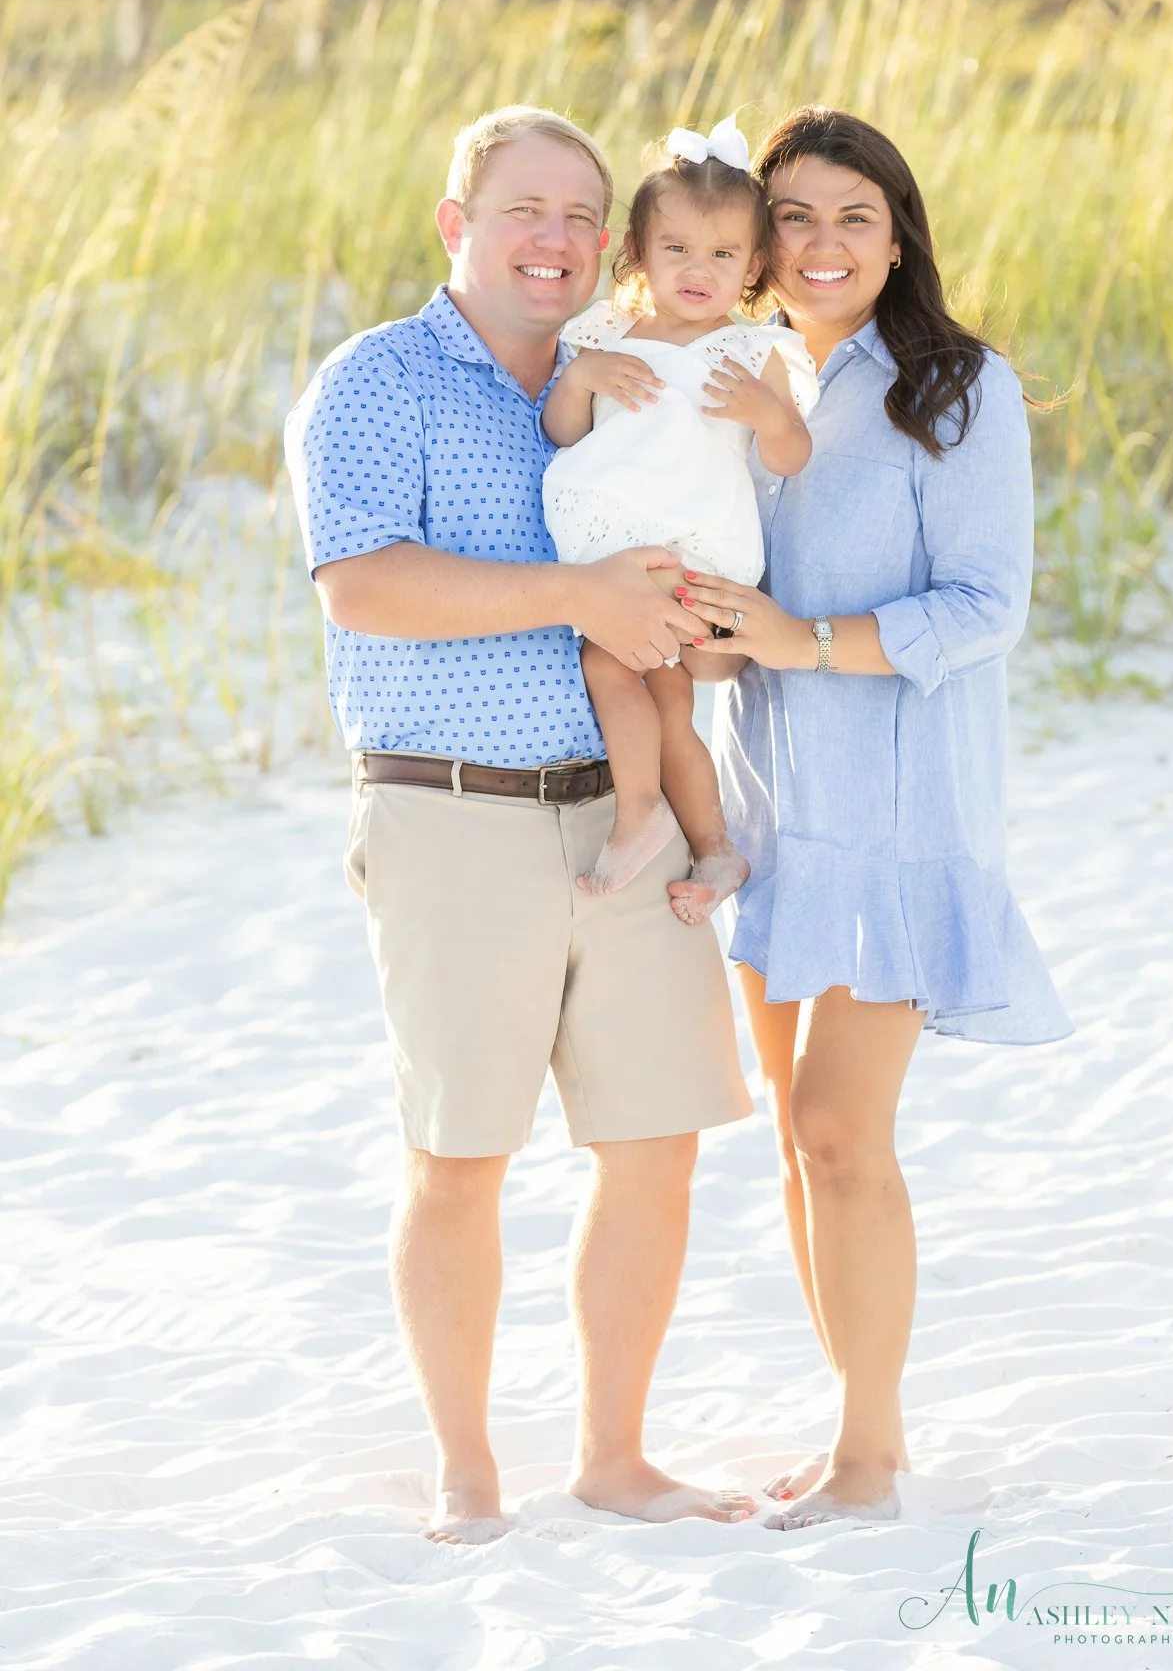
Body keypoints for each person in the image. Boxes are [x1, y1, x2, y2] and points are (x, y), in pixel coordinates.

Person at [284, 105, 756, 1545]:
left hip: (628, 821)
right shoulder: (375, 383)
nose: (552, 242)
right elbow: (361, 586)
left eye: (577, 217)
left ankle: (613, 1456)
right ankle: (466, 1468)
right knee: (460, 1154)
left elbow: (692, 556)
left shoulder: (634, 380)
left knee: (658, 1139)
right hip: (454, 816)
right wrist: (580, 598)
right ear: (457, 226)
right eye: (521, 212)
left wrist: (705, 627)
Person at [683, 105, 1075, 1530]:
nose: (823, 242)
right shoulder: (743, 377)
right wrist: (715, 637)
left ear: (895, 231)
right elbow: (734, 590)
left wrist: (801, 640)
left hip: (902, 820)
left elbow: (985, 609)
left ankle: (867, 1456)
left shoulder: (956, 388)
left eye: (853, 214)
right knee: (796, 1138)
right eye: (794, 216)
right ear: (756, 242)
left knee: (845, 1132)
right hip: (775, 815)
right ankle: (861, 1431)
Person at [541, 115, 810, 920]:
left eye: (724, 255)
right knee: (661, 702)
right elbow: (563, 431)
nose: (700, 270)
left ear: (754, 266)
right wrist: (582, 375)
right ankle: (716, 846)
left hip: (695, 552)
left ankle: (637, 814)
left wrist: (769, 414)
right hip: (623, 552)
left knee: (609, 666)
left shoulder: (752, 350)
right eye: (678, 250)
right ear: (638, 254)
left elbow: (790, 456)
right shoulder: (606, 333)